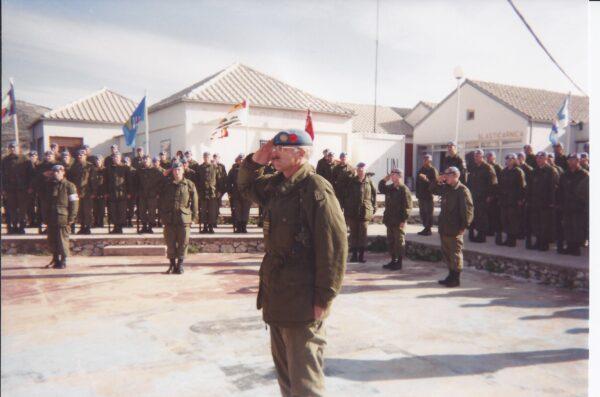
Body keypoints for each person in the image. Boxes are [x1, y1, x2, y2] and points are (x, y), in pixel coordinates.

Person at [238, 129, 347, 397]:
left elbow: (333, 246)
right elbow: (245, 188)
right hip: (278, 296)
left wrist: (324, 298)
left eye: (282, 149)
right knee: (286, 380)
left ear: (301, 153)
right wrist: (255, 161)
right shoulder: (277, 184)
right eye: (275, 147)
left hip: (303, 301)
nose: (274, 152)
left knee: (306, 384)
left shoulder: (315, 187)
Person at [430, 167, 473, 288]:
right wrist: (438, 179)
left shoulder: (462, 190)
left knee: (455, 254)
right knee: (447, 253)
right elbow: (432, 189)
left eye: (447, 175)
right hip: (444, 226)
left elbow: (468, 210)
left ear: (455, 175)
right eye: (444, 175)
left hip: (455, 228)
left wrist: (464, 226)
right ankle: (450, 274)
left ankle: (456, 278)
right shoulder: (446, 188)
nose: (445, 177)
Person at [159, 161, 198, 274]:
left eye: (179, 170)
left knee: (183, 242)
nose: (177, 172)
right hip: (169, 217)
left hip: (183, 218)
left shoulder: (189, 184)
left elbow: (195, 202)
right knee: (170, 242)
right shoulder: (166, 183)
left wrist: (194, 218)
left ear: (183, 170)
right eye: (175, 170)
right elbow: (159, 196)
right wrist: (164, 175)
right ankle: (172, 264)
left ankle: (180, 264)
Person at [42, 164, 79, 269]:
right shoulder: (48, 185)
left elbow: (74, 203)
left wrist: (72, 218)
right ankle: (55, 259)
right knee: (52, 239)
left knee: (62, 240)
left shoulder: (69, 186)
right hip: (51, 216)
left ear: (63, 172)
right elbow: (45, 202)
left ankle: (63, 260)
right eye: (54, 172)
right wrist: (45, 216)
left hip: (63, 217)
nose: (55, 173)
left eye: (58, 171)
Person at [378, 168, 413, 270]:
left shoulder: (404, 189)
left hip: (399, 221)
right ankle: (393, 260)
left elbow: (408, 207)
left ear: (399, 176)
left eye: (394, 174)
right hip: (390, 219)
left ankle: (399, 262)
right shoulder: (390, 187)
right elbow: (381, 188)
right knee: (391, 241)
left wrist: (404, 220)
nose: (392, 176)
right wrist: (385, 178)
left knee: (399, 242)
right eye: (391, 174)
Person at [343, 162, 376, 263]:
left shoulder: (369, 182)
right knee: (353, 234)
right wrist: (347, 208)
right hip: (352, 211)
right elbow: (346, 195)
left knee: (363, 234)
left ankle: (361, 256)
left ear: (365, 171)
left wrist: (373, 208)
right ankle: (354, 255)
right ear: (356, 171)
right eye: (359, 170)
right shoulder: (351, 181)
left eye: (362, 170)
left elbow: (374, 195)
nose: (360, 172)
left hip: (365, 211)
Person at [557, 153, 588, 256]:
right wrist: (559, 203)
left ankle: (576, 248)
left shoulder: (584, 174)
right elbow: (560, 190)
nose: (571, 162)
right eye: (569, 160)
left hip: (579, 206)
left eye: (574, 159)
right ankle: (570, 246)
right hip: (566, 205)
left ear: (578, 161)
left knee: (577, 227)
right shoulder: (565, 175)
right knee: (567, 226)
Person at [528, 152, 559, 251]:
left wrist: (552, 201)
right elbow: (530, 187)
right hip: (535, 201)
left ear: (546, 159)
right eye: (537, 158)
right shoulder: (534, 171)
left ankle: (544, 243)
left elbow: (554, 187)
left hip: (546, 202)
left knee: (545, 224)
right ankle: (538, 241)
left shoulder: (551, 170)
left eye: (541, 158)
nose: (539, 160)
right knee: (536, 222)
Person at [466, 149, 497, 243]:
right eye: (475, 156)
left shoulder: (488, 167)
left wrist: (490, 196)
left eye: (478, 156)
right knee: (474, 216)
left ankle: (482, 236)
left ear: (482, 157)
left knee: (482, 217)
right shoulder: (474, 167)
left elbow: (493, 183)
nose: (475, 158)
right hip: (474, 196)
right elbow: (470, 181)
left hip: (483, 197)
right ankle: (474, 233)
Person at [498, 154, 526, 247]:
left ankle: (512, 240)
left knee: (513, 220)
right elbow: (500, 185)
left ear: (514, 160)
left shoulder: (518, 171)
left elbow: (522, 187)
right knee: (505, 219)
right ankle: (508, 238)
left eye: (511, 159)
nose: (509, 161)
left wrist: (521, 199)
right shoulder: (504, 171)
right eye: (507, 159)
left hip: (514, 200)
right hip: (504, 200)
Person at [1, 142, 29, 234]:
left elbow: (31, 174)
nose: (12, 149)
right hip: (10, 190)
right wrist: (2, 189)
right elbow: (1, 176)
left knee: (22, 210)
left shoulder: (25, 159)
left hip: (22, 189)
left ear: (18, 148)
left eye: (14, 147)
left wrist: (30, 187)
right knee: (10, 209)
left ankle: (21, 227)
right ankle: (12, 227)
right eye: (10, 148)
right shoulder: (4, 161)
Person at [68, 149, 94, 234]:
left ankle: (88, 227)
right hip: (77, 192)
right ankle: (82, 226)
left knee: (87, 211)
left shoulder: (90, 166)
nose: (79, 156)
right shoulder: (74, 166)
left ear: (85, 156)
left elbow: (93, 180)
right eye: (78, 155)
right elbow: (71, 180)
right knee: (79, 211)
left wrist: (93, 192)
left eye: (81, 155)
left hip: (87, 192)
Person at [137, 155, 165, 233]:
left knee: (151, 212)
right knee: (142, 211)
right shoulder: (139, 170)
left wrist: (157, 192)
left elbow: (161, 183)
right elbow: (136, 182)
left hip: (152, 195)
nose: (145, 161)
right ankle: (144, 226)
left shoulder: (155, 171)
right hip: (142, 195)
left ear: (150, 161)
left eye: (147, 159)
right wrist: (138, 192)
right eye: (144, 159)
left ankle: (150, 226)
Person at [105, 152, 130, 234]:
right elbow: (106, 181)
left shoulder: (125, 168)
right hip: (112, 193)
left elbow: (129, 181)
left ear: (120, 158)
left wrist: (129, 192)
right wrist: (106, 192)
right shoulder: (109, 168)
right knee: (113, 211)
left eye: (117, 157)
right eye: (114, 157)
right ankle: (115, 227)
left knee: (121, 211)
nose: (115, 159)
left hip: (122, 193)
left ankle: (120, 228)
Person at [193, 152, 219, 233]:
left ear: (209, 157)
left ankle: (211, 227)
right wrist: (197, 191)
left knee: (212, 210)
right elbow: (196, 180)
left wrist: (219, 191)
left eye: (207, 157)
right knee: (203, 210)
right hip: (203, 192)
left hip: (212, 192)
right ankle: (204, 227)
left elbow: (219, 179)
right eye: (205, 157)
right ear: (203, 158)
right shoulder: (200, 168)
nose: (206, 158)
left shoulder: (214, 167)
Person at [227, 153, 252, 233]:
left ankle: (243, 227)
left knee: (245, 211)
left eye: (242, 159)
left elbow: (252, 181)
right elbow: (228, 182)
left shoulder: (248, 169)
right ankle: (238, 227)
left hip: (246, 194)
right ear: (237, 161)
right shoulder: (233, 170)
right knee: (237, 211)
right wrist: (230, 192)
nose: (241, 161)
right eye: (239, 159)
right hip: (236, 194)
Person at [35, 150, 59, 234]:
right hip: (43, 191)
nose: (48, 157)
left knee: (53, 210)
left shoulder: (57, 165)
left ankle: (52, 228)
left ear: (54, 156)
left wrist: (51, 174)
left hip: (53, 190)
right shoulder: (40, 166)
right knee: (43, 210)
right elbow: (36, 177)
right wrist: (43, 174)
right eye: (47, 155)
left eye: (50, 155)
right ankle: (43, 227)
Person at [416, 153, 438, 236]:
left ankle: (428, 229)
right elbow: (417, 183)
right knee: (422, 212)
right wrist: (417, 193)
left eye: (427, 159)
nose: (425, 160)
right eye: (424, 159)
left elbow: (435, 183)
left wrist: (426, 179)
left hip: (428, 195)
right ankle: (425, 227)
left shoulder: (432, 170)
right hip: (421, 195)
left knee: (429, 212)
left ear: (430, 160)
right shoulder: (420, 170)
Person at [516, 152, 534, 246]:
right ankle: (518, 232)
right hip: (517, 195)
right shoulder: (516, 168)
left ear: (524, 158)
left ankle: (523, 234)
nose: (519, 159)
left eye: (521, 157)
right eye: (518, 157)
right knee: (517, 216)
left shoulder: (528, 169)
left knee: (524, 216)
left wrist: (525, 197)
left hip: (525, 195)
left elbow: (529, 184)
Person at [485, 151, 503, 242]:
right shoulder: (486, 167)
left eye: (490, 156)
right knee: (487, 213)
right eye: (487, 156)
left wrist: (494, 195)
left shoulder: (498, 167)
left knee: (494, 214)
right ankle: (488, 229)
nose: (488, 158)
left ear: (494, 158)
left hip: (495, 195)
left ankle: (495, 230)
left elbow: (500, 182)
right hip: (486, 193)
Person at [26, 150, 41, 227]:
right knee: (30, 206)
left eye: (34, 156)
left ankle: (39, 222)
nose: (33, 157)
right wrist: (29, 187)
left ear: (37, 157)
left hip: (39, 188)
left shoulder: (40, 165)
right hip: (30, 188)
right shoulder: (27, 165)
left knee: (39, 206)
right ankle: (31, 221)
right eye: (31, 156)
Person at [90, 155, 106, 228]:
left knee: (102, 209)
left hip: (102, 192)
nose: (97, 162)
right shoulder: (92, 170)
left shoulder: (105, 170)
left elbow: (107, 181)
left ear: (102, 161)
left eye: (99, 160)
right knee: (95, 209)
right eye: (96, 160)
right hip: (94, 192)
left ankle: (101, 222)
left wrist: (105, 192)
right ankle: (96, 221)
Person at [213, 153, 228, 227]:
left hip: (220, 189)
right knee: (213, 207)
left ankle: (215, 221)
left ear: (219, 158)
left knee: (217, 206)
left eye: (217, 157)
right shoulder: (211, 165)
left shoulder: (222, 166)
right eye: (214, 157)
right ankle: (212, 222)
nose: (216, 158)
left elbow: (224, 178)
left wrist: (222, 191)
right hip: (212, 190)